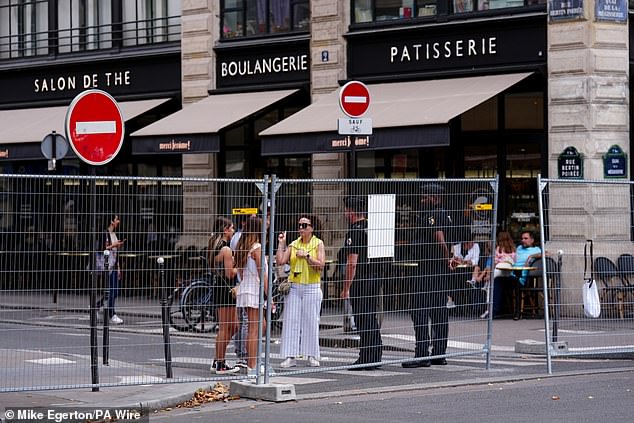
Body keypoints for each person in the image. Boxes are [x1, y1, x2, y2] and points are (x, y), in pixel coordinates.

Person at [403, 183, 453, 368]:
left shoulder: (434, 215)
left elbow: (440, 239)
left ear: (436, 197)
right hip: (437, 271)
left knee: (420, 311)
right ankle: (439, 353)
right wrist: (448, 260)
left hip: (427, 270)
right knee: (439, 312)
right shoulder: (446, 214)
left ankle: (422, 354)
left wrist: (446, 259)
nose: (422, 199)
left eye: (426, 196)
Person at [275, 214, 325, 368]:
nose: (301, 228)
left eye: (305, 225)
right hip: (295, 286)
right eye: (300, 225)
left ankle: (312, 355)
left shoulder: (318, 244)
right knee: (291, 320)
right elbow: (280, 261)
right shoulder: (294, 244)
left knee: (311, 321)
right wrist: (281, 244)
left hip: (311, 286)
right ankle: (291, 356)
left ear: (312, 228)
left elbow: (321, 265)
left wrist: (308, 256)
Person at [340, 196, 383, 370]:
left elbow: (352, 263)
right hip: (375, 277)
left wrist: (346, 287)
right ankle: (375, 354)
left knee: (362, 317)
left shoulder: (355, 231)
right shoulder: (372, 227)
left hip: (361, 279)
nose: (344, 213)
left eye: (345, 210)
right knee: (370, 316)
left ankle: (365, 357)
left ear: (351, 212)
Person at [234, 216, 268, 375]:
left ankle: (252, 361)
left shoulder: (242, 246)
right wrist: (269, 294)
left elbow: (240, 271)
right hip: (255, 287)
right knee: (255, 328)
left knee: (259, 325)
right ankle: (252, 365)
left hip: (246, 285)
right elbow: (263, 273)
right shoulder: (256, 247)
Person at [208, 217, 240, 375]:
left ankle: (218, 359)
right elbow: (229, 274)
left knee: (233, 326)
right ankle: (220, 363)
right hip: (225, 289)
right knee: (225, 327)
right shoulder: (225, 249)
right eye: (232, 228)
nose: (233, 231)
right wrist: (240, 265)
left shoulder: (215, 245)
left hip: (221, 289)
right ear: (225, 230)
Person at [97, 215, 125, 325]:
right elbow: (101, 248)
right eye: (116, 219)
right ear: (111, 221)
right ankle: (111, 314)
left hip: (113, 265)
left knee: (114, 291)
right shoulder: (104, 234)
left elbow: (115, 253)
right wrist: (115, 244)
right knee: (111, 290)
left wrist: (118, 267)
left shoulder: (114, 234)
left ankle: (96, 306)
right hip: (106, 266)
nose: (118, 221)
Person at [511, 230, 541, 320]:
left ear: (532, 240)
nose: (523, 240)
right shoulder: (519, 248)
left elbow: (547, 253)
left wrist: (531, 256)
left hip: (522, 278)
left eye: (526, 238)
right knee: (496, 281)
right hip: (510, 273)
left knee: (516, 282)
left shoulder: (536, 250)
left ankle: (517, 313)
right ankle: (494, 311)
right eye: (522, 238)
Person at [447, 236, 480, 308]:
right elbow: (453, 259)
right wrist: (458, 261)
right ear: (465, 243)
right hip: (457, 270)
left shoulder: (476, 246)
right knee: (453, 277)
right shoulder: (456, 247)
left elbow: (475, 261)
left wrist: (464, 261)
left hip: (469, 271)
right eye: (471, 243)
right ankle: (452, 299)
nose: (472, 244)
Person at [491, 231, 517, 318]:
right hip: (509, 273)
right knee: (496, 282)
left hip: (499, 271)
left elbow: (495, 261)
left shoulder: (499, 248)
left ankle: (492, 308)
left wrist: (500, 261)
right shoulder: (513, 248)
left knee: (493, 282)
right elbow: (514, 261)